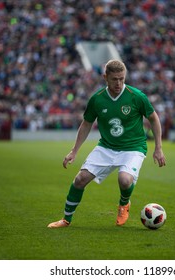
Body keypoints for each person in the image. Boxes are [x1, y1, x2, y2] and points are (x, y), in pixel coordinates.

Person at [47, 59, 166, 228]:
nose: (118, 83)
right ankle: (66, 220)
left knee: (124, 180)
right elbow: (86, 124)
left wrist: (158, 148)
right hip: (106, 147)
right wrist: (74, 151)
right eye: (114, 79)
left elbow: (154, 119)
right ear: (105, 77)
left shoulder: (137, 96)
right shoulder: (97, 99)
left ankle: (124, 204)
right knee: (80, 179)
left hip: (133, 147)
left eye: (122, 79)